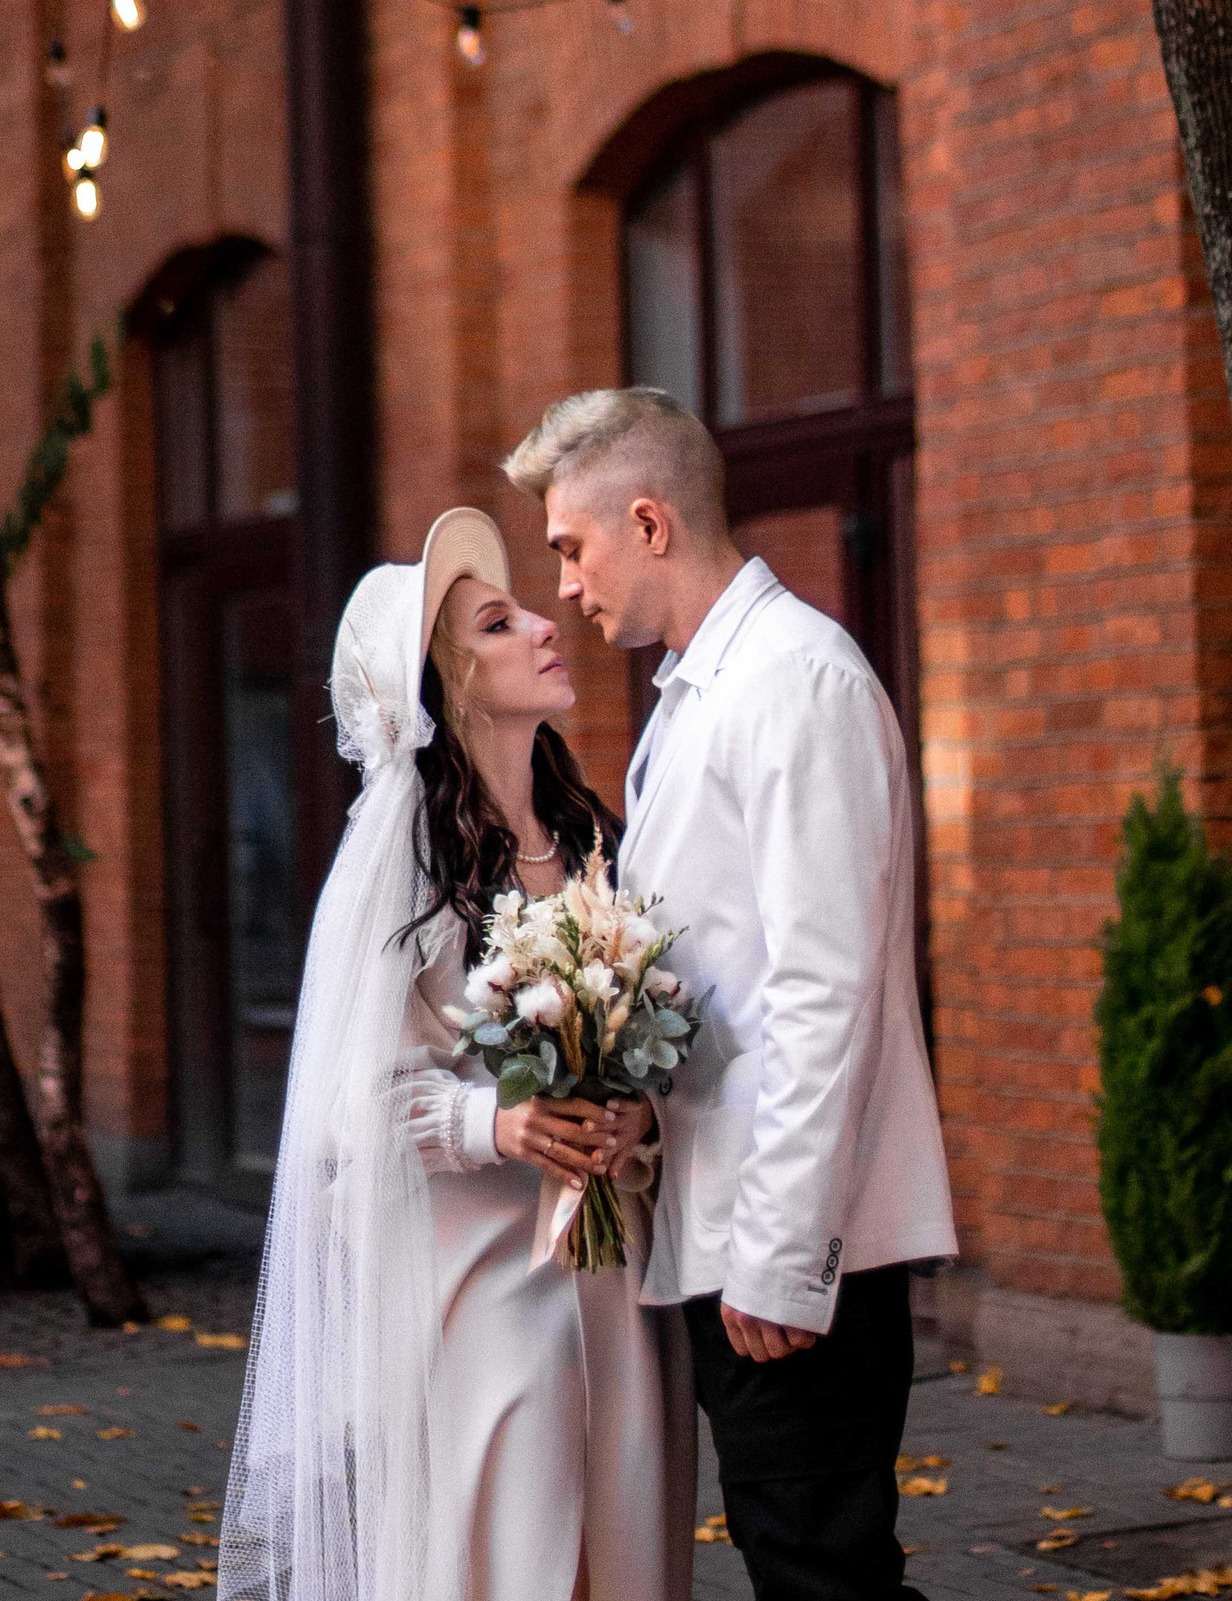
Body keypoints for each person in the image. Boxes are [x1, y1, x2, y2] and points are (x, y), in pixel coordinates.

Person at [505, 388, 958, 1601]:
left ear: (647, 521)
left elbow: (827, 989)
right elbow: (726, 979)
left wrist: (779, 1257)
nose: (563, 584)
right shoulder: (697, 692)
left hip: (788, 1242)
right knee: (803, 1561)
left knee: (821, 1572)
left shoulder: (797, 680)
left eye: (570, 545)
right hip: (725, 1230)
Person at [220, 506, 693, 1601]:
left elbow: (653, 1033)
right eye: (498, 623)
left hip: (612, 1275)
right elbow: (341, 1110)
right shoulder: (408, 862)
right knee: (512, 1560)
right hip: (475, 1293)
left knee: (620, 1548)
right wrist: (501, 1122)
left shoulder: (592, 837)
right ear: (449, 685)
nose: (543, 622)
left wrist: (636, 1113)